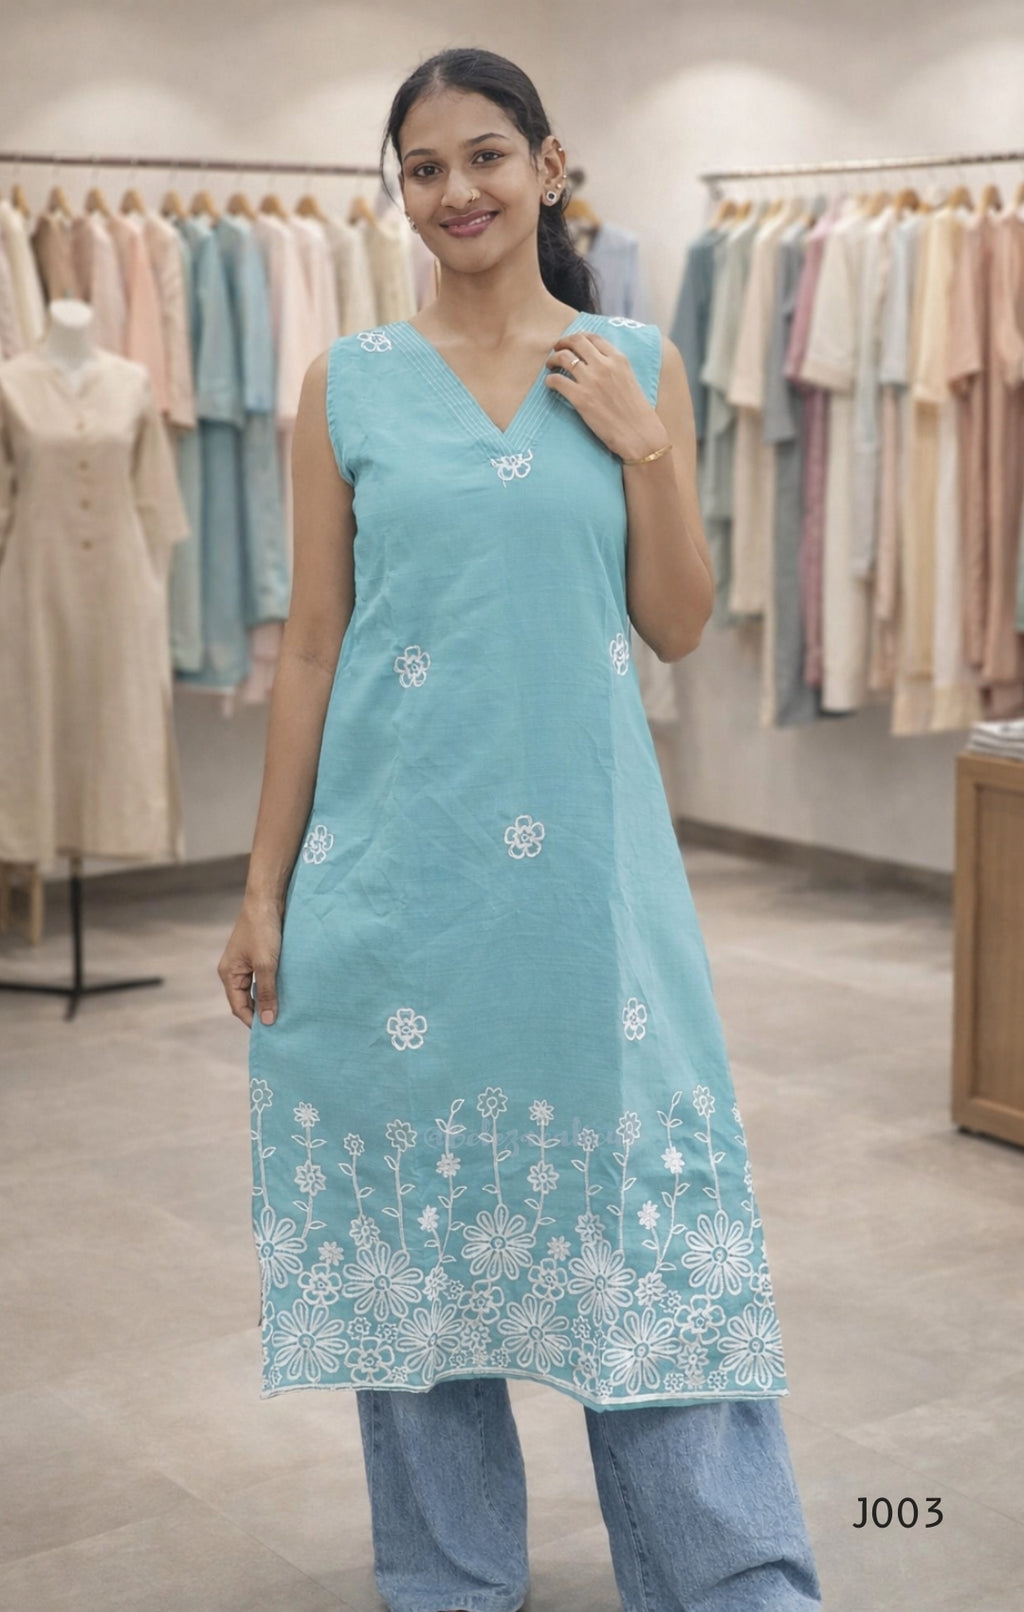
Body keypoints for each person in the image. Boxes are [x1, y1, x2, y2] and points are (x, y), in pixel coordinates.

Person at [219, 44, 823, 1612]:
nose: (454, 192)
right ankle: (447, 1573)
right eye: (421, 168)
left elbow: (679, 626)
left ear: (550, 167)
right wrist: (263, 889)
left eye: (484, 156)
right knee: (416, 1222)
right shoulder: (342, 384)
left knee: (642, 1204)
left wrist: (647, 443)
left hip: (591, 898)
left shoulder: (631, 360)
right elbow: (314, 646)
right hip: (395, 881)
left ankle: (722, 1566)